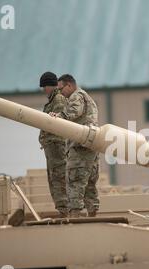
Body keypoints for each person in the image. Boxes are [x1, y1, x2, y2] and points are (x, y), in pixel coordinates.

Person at [50, 74, 100, 217]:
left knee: (75, 180)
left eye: (61, 89)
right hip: (91, 144)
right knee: (90, 181)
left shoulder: (76, 96)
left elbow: (74, 111)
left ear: (69, 85)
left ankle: (75, 215)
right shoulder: (86, 96)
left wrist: (59, 117)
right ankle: (92, 213)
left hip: (80, 146)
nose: (60, 93)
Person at [38, 72, 68, 217]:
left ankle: (65, 210)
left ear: (50, 85)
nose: (44, 90)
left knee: (59, 177)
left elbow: (58, 123)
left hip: (57, 145)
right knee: (54, 177)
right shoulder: (53, 100)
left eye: (45, 87)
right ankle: (62, 209)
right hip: (52, 146)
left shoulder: (58, 100)